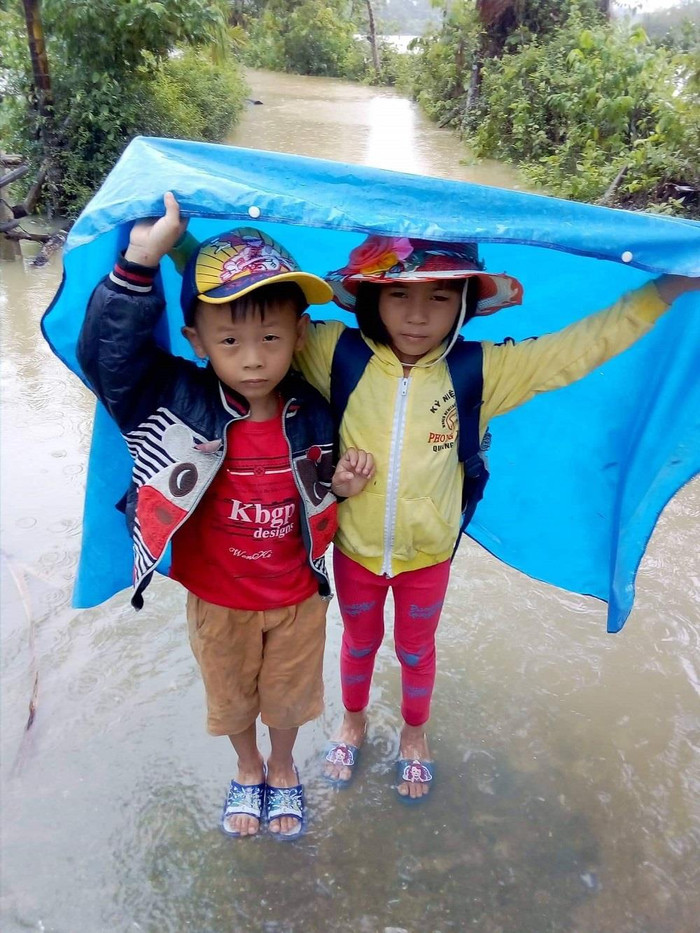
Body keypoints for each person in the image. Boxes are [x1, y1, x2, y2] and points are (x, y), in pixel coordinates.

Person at [290, 233, 700, 803]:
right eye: (399, 296)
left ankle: (414, 735)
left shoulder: (482, 370)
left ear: (464, 303)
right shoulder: (333, 352)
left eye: (438, 298)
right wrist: (185, 252)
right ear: (370, 300)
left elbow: (579, 347)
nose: (415, 316)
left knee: (415, 651)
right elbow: (254, 313)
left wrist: (668, 287)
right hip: (354, 548)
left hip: (430, 557)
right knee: (358, 643)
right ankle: (353, 723)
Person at [76, 193, 375, 839]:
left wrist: (341, 485)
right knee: (233, 697)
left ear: (299, 335)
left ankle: (285, 766)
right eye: (230, 340)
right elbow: (111, 362)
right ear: (196, 341)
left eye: (271, 337)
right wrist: (138, 261)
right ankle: (248, 768)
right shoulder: (176, 397)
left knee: (289, 698)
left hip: (298, 595)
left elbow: (314, 487)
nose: (253, 357)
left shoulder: (315, 408)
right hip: (218, 599)